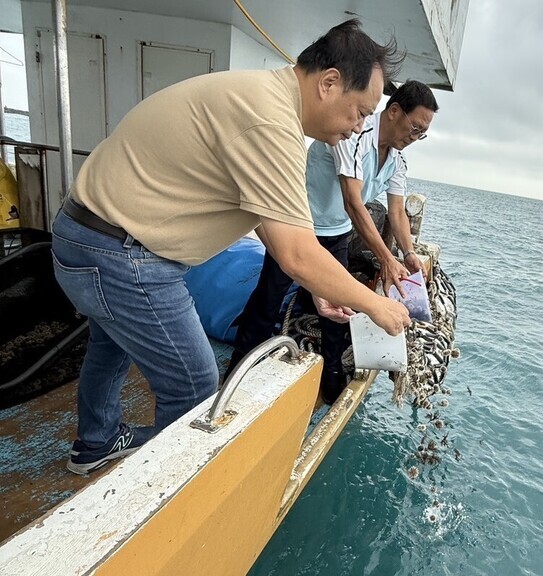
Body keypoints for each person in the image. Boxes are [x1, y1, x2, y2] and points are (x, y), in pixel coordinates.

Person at [51, 19, 411, 475]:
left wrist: (322, 288)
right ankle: (167, 502)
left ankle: (95, 444)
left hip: (86, 238)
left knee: (110, 347)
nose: (360, 126)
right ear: (330, 83)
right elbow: (298, 253)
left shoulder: (263, 100)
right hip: (118, 255)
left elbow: (264, 213)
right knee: (195, 385)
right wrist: (374, 305)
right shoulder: (270, 120)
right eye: (360, 111)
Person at [228, 80, 438, 403]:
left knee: (337, 311)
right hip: (300, 226)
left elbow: (397, 210)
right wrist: (385, 257)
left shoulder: (397, 159)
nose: (415, 138)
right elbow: (354, 202)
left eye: (422, 134)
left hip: (337, 232)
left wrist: (407, 253)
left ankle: (331, 385)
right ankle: (235, 375)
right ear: (394, 111)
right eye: (415, 128)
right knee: (268, 298)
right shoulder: (354, 134)